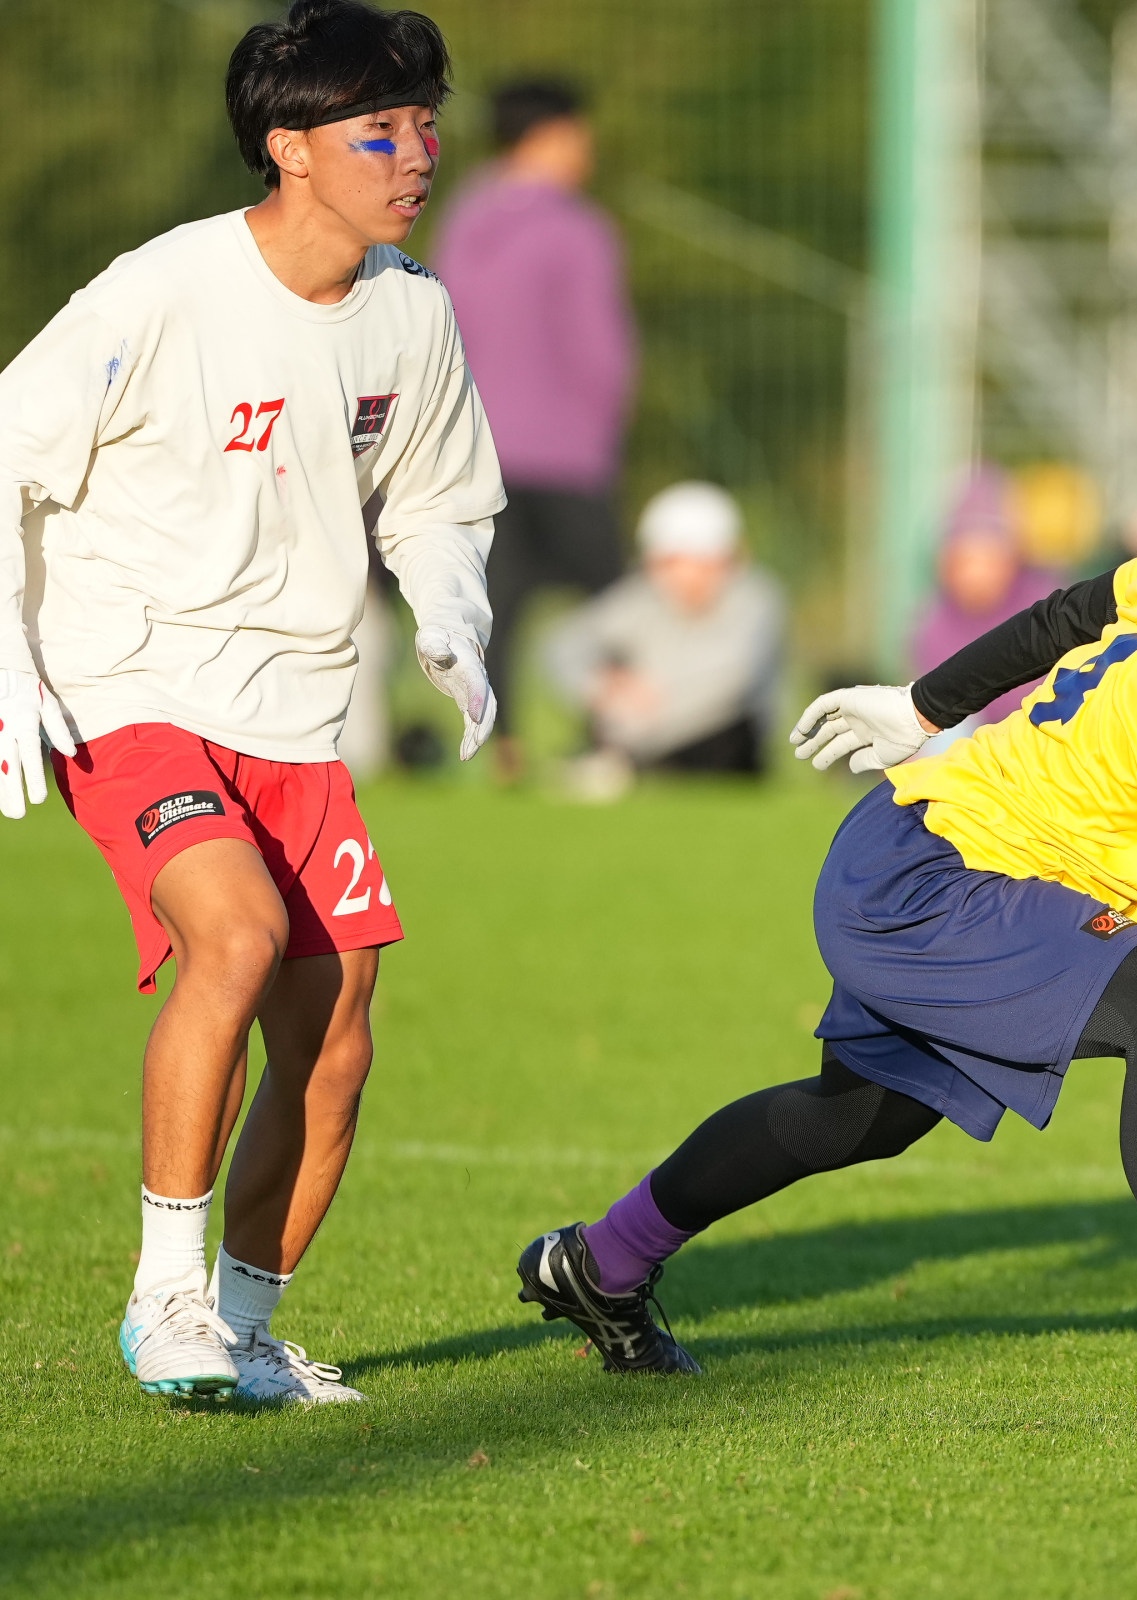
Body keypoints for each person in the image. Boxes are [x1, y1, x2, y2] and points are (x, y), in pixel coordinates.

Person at [514, 363, 1137, 1431]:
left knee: (857, 1116)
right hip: (939, 878)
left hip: (928, 846)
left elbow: (1074, 611)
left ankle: (598, 1262)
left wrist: (925, 707)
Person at [0, 0, 502, 1404]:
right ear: (289, 147)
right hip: (129, 677)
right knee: (235, 935)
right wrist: (6, 657)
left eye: (425, 123)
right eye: (380, 129)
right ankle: (161, 1303)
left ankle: (244, 1327)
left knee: (334, 1038)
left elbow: (438, 501)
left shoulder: (413, 309)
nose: (419, 153)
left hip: (295, 707)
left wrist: (450, 616)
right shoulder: (163, 289)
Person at [435, 78, 636, 782]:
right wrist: (610, 419)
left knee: (499, 604)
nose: (587, 151)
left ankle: (504, 745)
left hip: (483, 444)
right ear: (547, 138)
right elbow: (599, 349)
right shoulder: (578, 229)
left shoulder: (464, 219)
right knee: (616, 601)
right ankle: (611, 737)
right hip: (568, 449)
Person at [543, 481, 784, 797]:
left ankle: (621, 767)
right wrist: (604, 687)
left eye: (699, 564)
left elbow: (733, 679)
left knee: (728, 731)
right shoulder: (641, 599)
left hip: (724, 750)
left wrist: (637, 723)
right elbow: (564, 645)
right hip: (633, 734)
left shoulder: (756, 600)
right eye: (671, 564)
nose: (684, 577)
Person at [911, 467, 1063, 728]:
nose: (976, 574)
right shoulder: (931, 628)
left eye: (988, 558)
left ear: (1013, 556)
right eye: (964, 560)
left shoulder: (1049, 609)